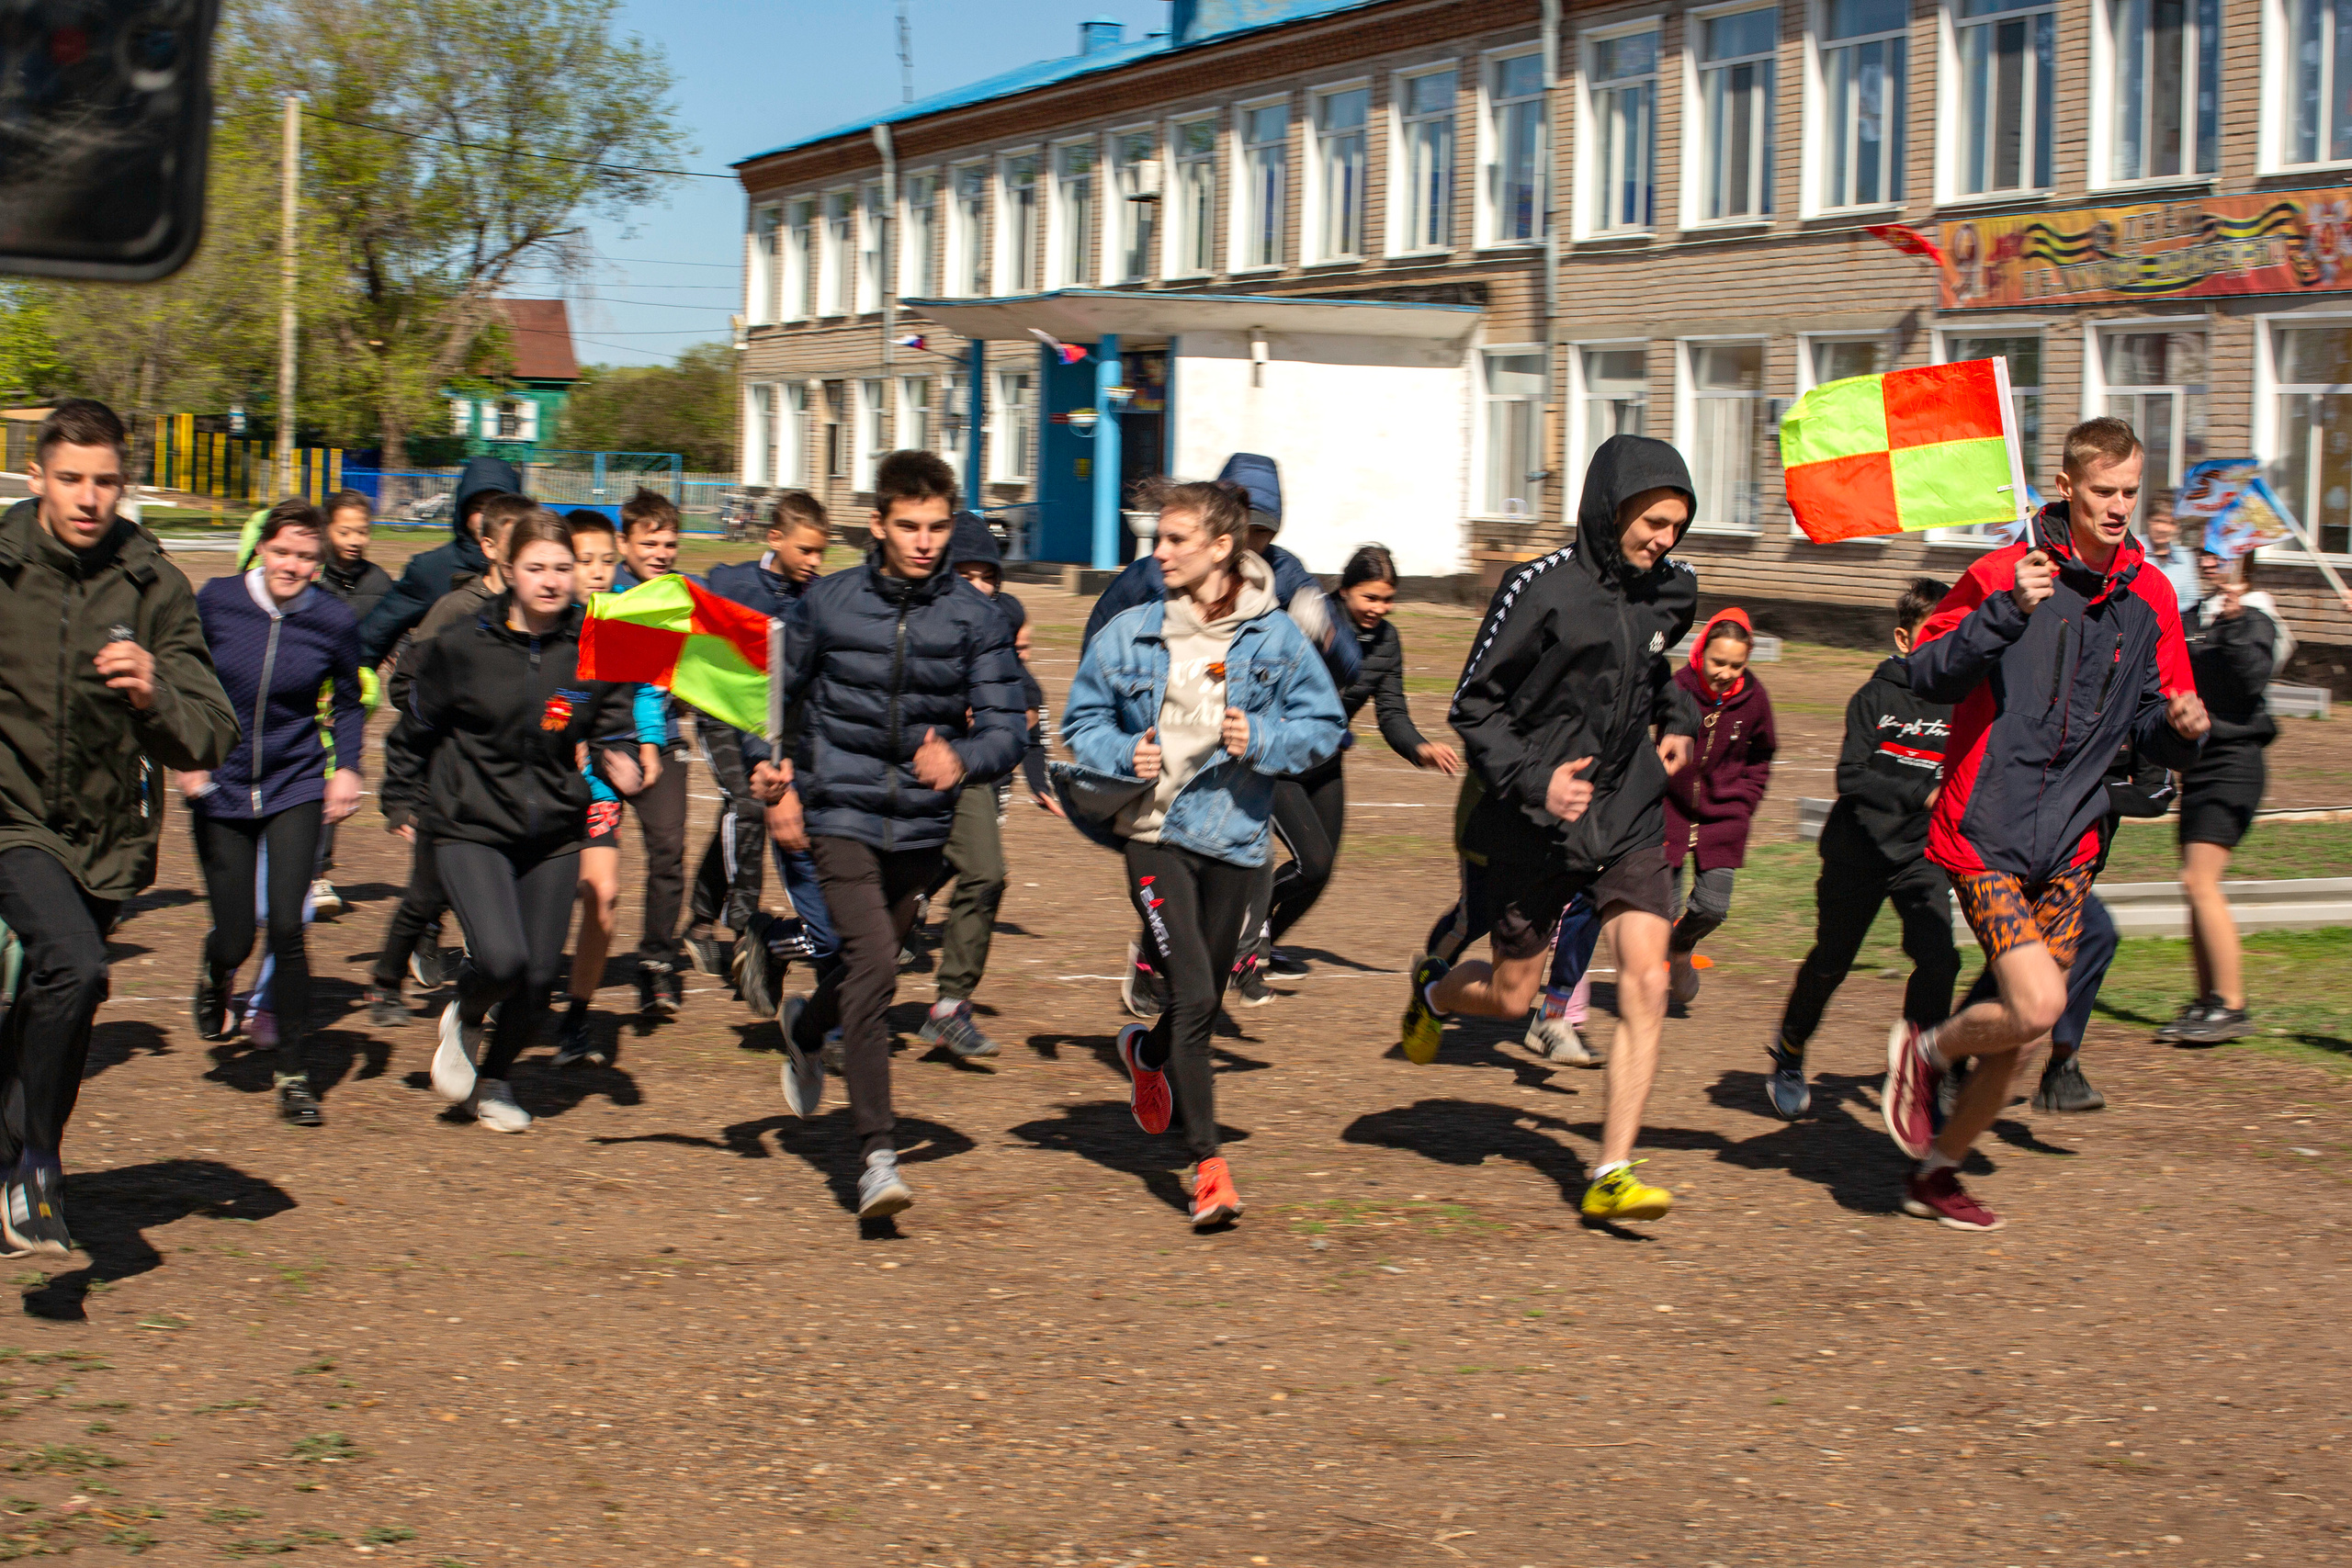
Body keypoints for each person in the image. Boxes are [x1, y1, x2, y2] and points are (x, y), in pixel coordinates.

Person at [1885, 416, 2208, 1233]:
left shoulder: (2152, 596)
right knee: (2034, 1005)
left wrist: (2181, 726)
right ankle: (1924, 1052)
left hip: (2072, 838)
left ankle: (1939, 1168)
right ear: (2066, 487)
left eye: (2131, 492)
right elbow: (1922, 670)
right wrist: (2002, 613)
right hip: (1986, 825)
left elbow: (2147, 727)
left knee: (2019, 1036)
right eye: (2104, 492)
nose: (2119, 508)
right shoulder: (2005, 569)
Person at [1401, 434, 1701, 1226]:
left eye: (1678, 527)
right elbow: (1472, 704)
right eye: (1655, 522)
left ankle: (1611, 1169)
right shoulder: (1538, 588)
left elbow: (1655, 667)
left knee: (1647, 977)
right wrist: (1537, 781)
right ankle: (1433, 989)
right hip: (1533, 820)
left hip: (1628, 810)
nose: (1666, 541)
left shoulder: (1675, 590)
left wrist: (1679, 716)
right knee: (1511, 996)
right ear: (1613, 506)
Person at [747, 451, 1025, 1222]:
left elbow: (1009, 729)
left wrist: (963, 755)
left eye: (938, 526)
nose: (925, 540)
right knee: (876, 963)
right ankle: (876, 1156)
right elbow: (775, 699)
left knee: (875, 959)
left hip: (923, 823)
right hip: (839, 805)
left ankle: (805, 1023)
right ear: (877, 524)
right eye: (909, 525)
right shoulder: (829, 603)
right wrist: (772, 778)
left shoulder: (977, 618)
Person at [1061, 478, 1345, 1229]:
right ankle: (1209, 1167)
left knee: (1205, 1000)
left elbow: (1326, 724)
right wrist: (1125, 751)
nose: (1158, 552)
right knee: (1190, 991)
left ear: (1223, 547)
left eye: (1174, 539)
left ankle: (1147, 1055)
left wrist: (1270, 741)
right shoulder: (1132, 630)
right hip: (1154, 838)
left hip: (1238, 839)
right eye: (1159, 538)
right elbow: (1080, 720)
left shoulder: (1275, 636)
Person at [0, 399, 237, 1252]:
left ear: (123, 485)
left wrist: (153, 690)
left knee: (49, 999)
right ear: (36, 479)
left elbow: (211, 730)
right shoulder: (1, 563)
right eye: (70, 479)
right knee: (78, 965)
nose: (88, 497)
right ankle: (38, 1167)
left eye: (105, 481)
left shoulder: (153, 584)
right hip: (10, 818)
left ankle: (13, 1163)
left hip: (107, 837)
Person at [388, 510, 637, 1133]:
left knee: (534, 979)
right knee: (498, 960)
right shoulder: (462, 648)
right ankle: (466, 1012)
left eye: (563, 568)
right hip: (470, 824)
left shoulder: (594, 648)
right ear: (508, 570)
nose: (551, 581)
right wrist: (400, 798)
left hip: (554, 829)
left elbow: (611, 723)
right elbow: (414, 730)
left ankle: (495, 1078)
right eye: (536, 568)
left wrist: (622, 757)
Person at [1083, 453, 1359, 1015]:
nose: (1250, 543)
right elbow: (1102, 638)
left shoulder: (1286, 574)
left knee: (1315, 862)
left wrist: (1324, 628)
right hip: (1180, 759)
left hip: (1258, 745)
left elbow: (1349, 666)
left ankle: (1240, 948)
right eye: (1244, 528)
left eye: (1263, 531)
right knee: (1195, 868)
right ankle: (1173, 966)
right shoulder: (1154, 574)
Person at [183, 501, 364, 1126]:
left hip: (295, 783)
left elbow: (348, 701)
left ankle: (293, 1073)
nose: (293, 565)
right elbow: (184, 676)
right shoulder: (217, 600)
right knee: (235, 932)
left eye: (307, 557)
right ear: (261, 547)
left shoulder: (333, 620)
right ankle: (215, 971)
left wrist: (347, 766)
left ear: (320, 563)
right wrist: (186, 752)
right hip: (221, 785)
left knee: (287, 926)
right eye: (283, 551)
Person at [1764, 579, 1958, 1121]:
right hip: (1858, 852)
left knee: (1939, 960)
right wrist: (1922, 791)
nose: (1945, 642)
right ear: (1904, 638)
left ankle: (1923, 1069)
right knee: (1832, 962)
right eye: (1933, 631)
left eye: (1954, 632)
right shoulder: (1874, 697)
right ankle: (1791, 1050)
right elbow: (1851, 776)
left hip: (1921, 858)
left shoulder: (1966, 702)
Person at [362, 491, 535, 1027]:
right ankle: (386, 979)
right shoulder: (457, 610)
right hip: (447, 779)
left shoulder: (537, 614)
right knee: (426, 891)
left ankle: (491, 977)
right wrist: (409, 788)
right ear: (491, 549)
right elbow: (409, 686)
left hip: (503, 778)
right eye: (517, 549)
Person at [1253, 544, 1461, 978]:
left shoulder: (1387, 643)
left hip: (1324, 763)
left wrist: (1419, 747)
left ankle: (1261, 945)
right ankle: (1240, 930)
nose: (1379, 608)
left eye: (1387, 599)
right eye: (1370, 597)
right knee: (1313, 861)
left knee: (1320, 872)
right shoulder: (1310, 620)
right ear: (1345, 590)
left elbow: (1392, 714)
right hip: (1279, 759)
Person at [686, 490, 835, 999]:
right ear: (775, 539)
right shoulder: (730, 583)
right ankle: (745, 923)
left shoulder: (817, 597)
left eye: (823, 553)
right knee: (746, 803)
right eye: (806, 552)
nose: (815, 563)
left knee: (750, 813)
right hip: (723, 715)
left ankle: (702, 913)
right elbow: (688, 627)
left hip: (776, 723)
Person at [907, 511, 1043, 1059]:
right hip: (900, 767)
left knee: (987, 874)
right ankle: (797, 960)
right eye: (968, 574)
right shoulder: (912, 615)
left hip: (967, 770)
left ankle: (949, 1007)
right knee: (885, 897)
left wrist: (1020, 739)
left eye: (989, 576)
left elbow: (1023, 700)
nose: (981, 586)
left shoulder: (998, 625)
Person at [2157, 545, 2294, 1044]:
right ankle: (2206, 999)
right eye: (2206, 553)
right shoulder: (2194, 615)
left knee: (2199, 880)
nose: (2212, 563)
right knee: (2191, 884)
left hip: (2235, 764)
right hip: (2198, 761)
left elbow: (2252, 677)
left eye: (2224, 555)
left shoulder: (2255, 614)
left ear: (2246, 561)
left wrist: (2235, 620)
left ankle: (2232, 1004)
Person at [552, 512, 668, 1068]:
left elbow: (648, 688)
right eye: (583, 560)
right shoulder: (538, 628)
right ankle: (495, 992)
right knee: (539, 899)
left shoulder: (625, 618)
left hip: (597, 782)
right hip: (533, 784)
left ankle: (576, 1017)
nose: (596, 572)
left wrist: (647, 748)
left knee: (603, 894)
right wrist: (563, 738)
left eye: (604, 560)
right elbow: (549, 706)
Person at [1661, 607, 1778, 1008]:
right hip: (1668, 814)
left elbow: (1763, 754)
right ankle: (1665, 965)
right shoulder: (1676, 686)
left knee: (1712, 908)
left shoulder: (1754, 698)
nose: (1725, 672)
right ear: (1700, 651)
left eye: (1736, 665)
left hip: (1722, 818)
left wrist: (1745, 800)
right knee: (1662, 912)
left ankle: (1680, 952)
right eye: (1717, 661)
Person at [610, 488, 691, 1017]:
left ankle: (657, 963)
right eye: (650, 542)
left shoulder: (683, 597)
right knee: (573, 862)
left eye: (670, 543)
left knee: (669, 852)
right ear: (624, 542)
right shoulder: (599, 592)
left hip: (662, 741)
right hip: (601, 745)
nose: (661, 552)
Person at [306, 490, 392, 916]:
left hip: (351, 698)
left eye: (363, 531)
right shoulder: (309, 575)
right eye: (345, 530)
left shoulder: (379, 583)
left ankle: (316, 872)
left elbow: (400, 627)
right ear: (326, 530)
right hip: (303, 693)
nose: (355, 539)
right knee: (309, 774)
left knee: (335, 774)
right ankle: (307, 871)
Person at [356, 456, 521, 665]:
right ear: (463, 510)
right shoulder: (431, 570)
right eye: (478, 507)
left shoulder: (537, 569)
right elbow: (375, 635)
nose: (487, 518)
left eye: (498, 509)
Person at [2142, 503, 2200, 617]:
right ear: (2148, 521)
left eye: (2170, 523)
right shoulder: (2131, 551)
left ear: (2177, 527)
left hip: (2171, 628)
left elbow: (2190, 603)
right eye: (2157, 521)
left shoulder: (2185, 558)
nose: (2162, 529)